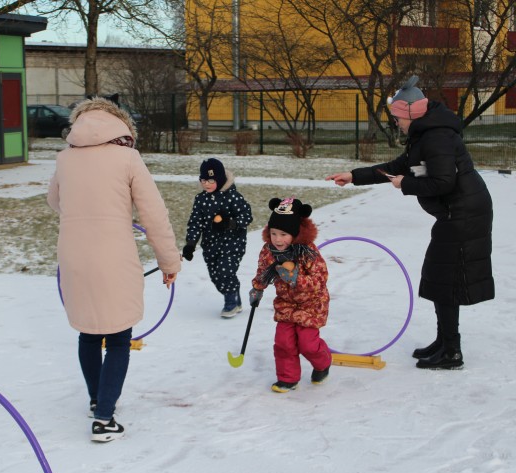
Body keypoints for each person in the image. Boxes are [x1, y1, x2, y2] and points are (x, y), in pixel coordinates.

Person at [326, 75, 494, 370]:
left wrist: (406, 184)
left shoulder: (436, 137)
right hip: (456, 213)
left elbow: (442, 182)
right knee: (439, 277)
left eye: (398, 118)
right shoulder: (425, 135)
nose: (396, 123)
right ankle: (444, 342)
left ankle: (451, 351)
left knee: (446, 280)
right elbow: (396, 167)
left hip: (464, 213)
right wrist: (353, 176)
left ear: (412, 113)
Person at [47, 97, 181, 442]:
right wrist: (169, 262)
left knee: (89, 332)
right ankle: (104, 417)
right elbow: (154, 214)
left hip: (74, 256)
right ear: (121, 126)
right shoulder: (128, 158)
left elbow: (54, 201)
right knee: (119, 337)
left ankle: (97, 399)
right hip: (113, 256)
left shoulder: (65, 158)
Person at [249, 197, 332, 392]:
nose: (278, 239)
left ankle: (323, 363)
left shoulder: (308, 252)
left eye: (283, 234)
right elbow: (263, 271)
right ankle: (288, 378)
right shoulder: (268, 251)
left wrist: (295, 279)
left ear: (295, 233)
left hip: (311, 304)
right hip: (286, 303)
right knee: (284, 343)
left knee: (308, 345)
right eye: (274, 233)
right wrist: (257, 288)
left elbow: (320, 281)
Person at [182, 157, 253, 318]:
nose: (206, 184)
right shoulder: (201, 199)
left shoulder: (233, 197)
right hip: (210, 245)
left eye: (211, 180)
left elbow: (247, 216)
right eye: (203, 180)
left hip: (233, 243)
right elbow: (195, 222)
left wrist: (230, 223)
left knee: (225, 271)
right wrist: (191, 244)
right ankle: (235, 296)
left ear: (220, 180)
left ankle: (231, 304)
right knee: (216, 276)